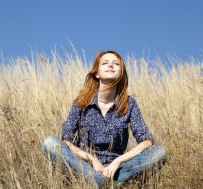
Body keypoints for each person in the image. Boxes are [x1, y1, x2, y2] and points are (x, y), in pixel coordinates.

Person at [42, 50, 166, 188]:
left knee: (159, 152)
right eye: (105, 63)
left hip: (118, 171)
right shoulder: (82, 102)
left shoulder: (129, 104)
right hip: (85, 167)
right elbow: (65, 140)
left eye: (116, 64)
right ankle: (100, 181)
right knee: (50, 144)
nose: (110, 65)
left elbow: (146, 141)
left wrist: (118, 161)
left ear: (121, 73)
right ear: (97, 73)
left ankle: (108, 181)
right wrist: (92, 159)